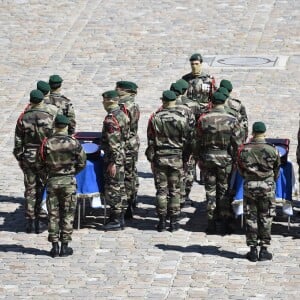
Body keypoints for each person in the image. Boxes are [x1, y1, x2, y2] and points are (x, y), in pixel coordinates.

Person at [195, 91, 242, 234]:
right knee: (224, 191)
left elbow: (197, 141)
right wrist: (235, 160)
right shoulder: (232, 120)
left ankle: (211, 222)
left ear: (212, 102)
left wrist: (199, 158)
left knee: (210, 191)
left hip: (208, 158)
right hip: (225, 159)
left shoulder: (203, 119)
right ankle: (225, 221)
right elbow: (237, 144)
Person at [39, 115, 86, 257]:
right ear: (66, 126)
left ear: (55, 125)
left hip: (52, 181)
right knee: (68, 214)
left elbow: (39, 163)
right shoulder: (74, 143)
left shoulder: (47, 143)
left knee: (53, 215)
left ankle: (54, 247)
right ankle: (65, 247)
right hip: (68, 182)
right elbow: (82, 162)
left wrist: (48, 175)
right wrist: (71, 173)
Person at [145, 90, 192, 232]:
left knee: (161, 190)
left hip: (160, 157)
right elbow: (188, 140)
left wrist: (151, 158)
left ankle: (161, 221)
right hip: (176, 157)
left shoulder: (155, 118)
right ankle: (174, 221)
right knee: (175, 190)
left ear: (163, 101)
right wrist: (185, 157)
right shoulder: (182, 119)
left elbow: (151, 140)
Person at [13, 90, 58, 234]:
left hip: (29, 156)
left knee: (30, 188)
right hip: (45, 155)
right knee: (47, 186)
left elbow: (18, 141)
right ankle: (44, 217)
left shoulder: (24, 117)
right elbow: (55, 139)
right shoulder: (50, 117)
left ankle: (31, 220)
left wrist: (20, 157)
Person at [237, 122, 281, 262]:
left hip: (250, 186)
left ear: (253, 133)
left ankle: (252, 250)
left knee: (251, 217)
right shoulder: (272, 149)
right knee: (266, 217)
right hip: (267, 186)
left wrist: (249, 177)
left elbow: (240, 169)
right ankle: (264, 249)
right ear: (264, 132)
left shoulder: (244, 149)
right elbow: (277, 170)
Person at [101, 90, 130, 231]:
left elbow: (113, 143)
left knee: (113, 188)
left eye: (104, 100)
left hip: (114, 158)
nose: (103, 103)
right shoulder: (122, 114)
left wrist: (113, 162)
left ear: (111, 101)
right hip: (122, 155)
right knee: (121, 186)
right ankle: (121, 217)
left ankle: (115, 219)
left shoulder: (111, 120)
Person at [115, 81, 140, 219]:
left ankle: (127, 204)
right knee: (131, 172)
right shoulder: (133, 104)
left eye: (118, 89)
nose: (116, 90)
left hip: (126, 143)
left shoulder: (123, 106)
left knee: (125, 175)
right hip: (133, 141)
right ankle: (132, 199)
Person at [170, 81, 195, 208]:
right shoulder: (191, 105)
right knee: (188, 170)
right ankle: (185, 197)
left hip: (171, 146)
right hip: (186, 144)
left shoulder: (167, 105)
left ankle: (174, 197)